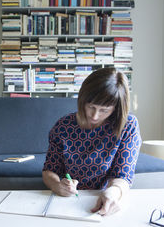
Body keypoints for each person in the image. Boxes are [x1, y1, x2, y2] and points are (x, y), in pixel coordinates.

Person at [43, 67, 142, 217]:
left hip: (104, 199)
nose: (95, 116)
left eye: (104, 110)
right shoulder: (63, 126)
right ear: (82, 100)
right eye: (91, 107)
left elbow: (123, 175)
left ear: (116, 108)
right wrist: (57, 185)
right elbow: (50, 170)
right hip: (67, 203)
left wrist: (113, 192)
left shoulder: (128, 126)